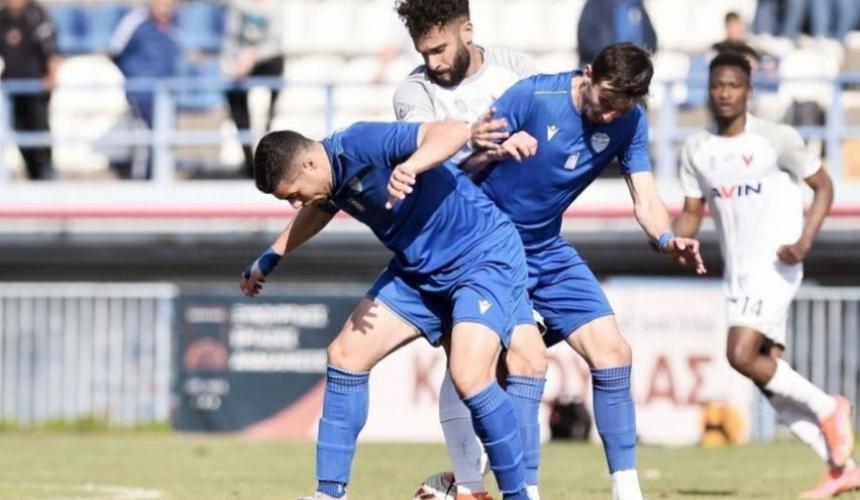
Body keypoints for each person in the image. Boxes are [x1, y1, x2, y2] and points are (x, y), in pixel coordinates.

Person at [410, 42, 707, 500]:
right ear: (587, 73)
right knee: (525, 362)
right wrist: (494, 150)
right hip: (488, 246)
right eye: (604, 101)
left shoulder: (630, 121)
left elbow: (646, 198)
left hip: (546, 247)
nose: (608, 115)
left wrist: (668, 239)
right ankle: (519, 490)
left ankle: (627, 491)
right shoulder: (533, 96)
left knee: (614, 352)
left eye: (620, 107)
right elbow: (461, 167)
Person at [242, 118, 541, 500]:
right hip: (419, 270)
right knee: (345, 355)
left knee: (469, 375)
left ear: (310, 164)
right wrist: (271, 256)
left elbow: (454, 130)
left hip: (481, 258)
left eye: (294, 195)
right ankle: (329, 494)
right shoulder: (325, 182)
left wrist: (412, 165)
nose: (296, 204)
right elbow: (318, 210)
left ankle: (518, 495)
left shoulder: (361, 143)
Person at [673, 51, 857, 499]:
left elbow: (824, 186)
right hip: (737, 273)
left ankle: (828, 407)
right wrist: (671, 238)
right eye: (717, 86)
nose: (724, 93)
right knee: (764, 370)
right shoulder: (696, 150)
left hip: (776, 263)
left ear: (749, 91)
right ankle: (841, 468)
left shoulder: (777, 139)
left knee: (739, 353)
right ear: (709, 90)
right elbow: (692, 212)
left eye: (733, 85)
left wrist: (804, 242)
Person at [391, 2, 544, 498]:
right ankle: (479, 485)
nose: (433, 62)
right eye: (424, 52)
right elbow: (427, 169)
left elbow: (550, 134)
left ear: (468, 31)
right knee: (474, 359)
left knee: (520, 362)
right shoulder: (413, 93)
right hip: (457, 245)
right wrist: (478, 147)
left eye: (439, 49)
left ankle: (480, 484)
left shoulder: (517, 70)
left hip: (525, 239)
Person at [109, 0, 180, 179]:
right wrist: (135, 78)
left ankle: (161, 179)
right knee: (146, 139)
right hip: (142, 94)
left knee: (165, 139)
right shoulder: (135, 21)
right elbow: (115, 50)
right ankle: (143, 183)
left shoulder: (174, 23)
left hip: (166, 96)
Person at [222, 0, 283, 178]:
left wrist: (253, 56)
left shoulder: (275, 7)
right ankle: (250, 161)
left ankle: (268, 157)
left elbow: (275, 44)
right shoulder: (237, 8)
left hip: (266, 62)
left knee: (267, 102)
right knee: (233, 93)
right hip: (241, 64)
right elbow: (230, 40)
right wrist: (233, 66)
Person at [0, 0, 59, 180]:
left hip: (35, 87)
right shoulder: (3, 18)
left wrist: (51, 76)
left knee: (39, 129)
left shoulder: (37, 15)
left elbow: (52, 50)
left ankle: (46, 173)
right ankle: (32, 172)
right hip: (11, 88)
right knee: (19, 131)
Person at [576, 0, 657, 67]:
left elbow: (650, 39)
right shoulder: (595, 4)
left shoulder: (636, 4)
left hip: (632, 69)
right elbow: (587, 42)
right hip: (604, 70)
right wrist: (613, 59)